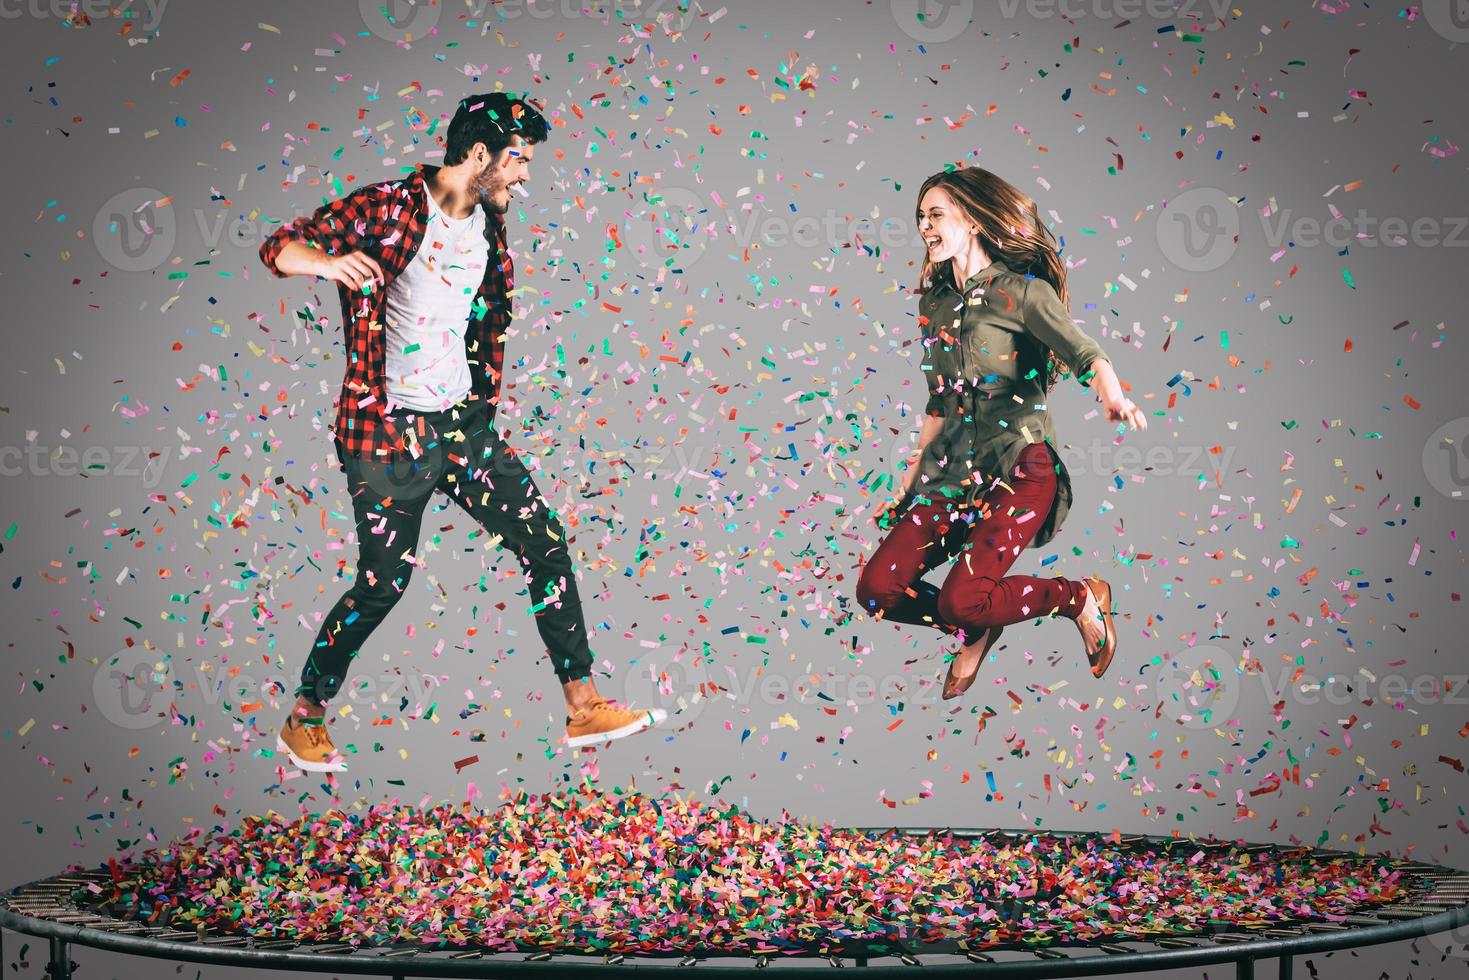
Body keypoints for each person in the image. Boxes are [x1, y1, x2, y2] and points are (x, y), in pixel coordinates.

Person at [258, 92, 665, 772]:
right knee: (382, 583)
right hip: (386, 433)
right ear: (478, 155)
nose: (524, 177)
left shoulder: (488, 222)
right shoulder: (385, 205)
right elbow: (279, 248)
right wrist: (324, 264)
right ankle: (304, 718)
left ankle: (582, 704)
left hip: (461, 427)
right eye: (517, 161)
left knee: (546, 545)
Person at [856, 166, 1147, 701]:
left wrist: (1113, 396)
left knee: (959, 600)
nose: (925, 225)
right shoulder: (936, 304)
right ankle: (977, 626)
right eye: (920, 216)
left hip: (1021, 470)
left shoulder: (1023, 293)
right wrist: (910, 479)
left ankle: (1077, 597)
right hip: (951, 477)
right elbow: (941, 400)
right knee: (878, 591)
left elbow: (1083, 351)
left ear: (971, 219)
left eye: (936, 214)